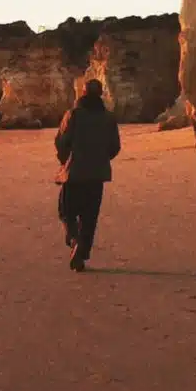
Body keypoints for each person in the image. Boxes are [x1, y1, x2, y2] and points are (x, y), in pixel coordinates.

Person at [55, 79, 121, 272]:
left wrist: (65, 160)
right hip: (97, 174)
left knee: (66, 210)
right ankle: (82, 252)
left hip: (75, 172)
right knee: (90, 216)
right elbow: (115, 146)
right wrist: (101, 159)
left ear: (83, 93)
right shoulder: (108, 117)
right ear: (100, 94)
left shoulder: (73, 114)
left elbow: (61, 141)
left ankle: (75, 239)